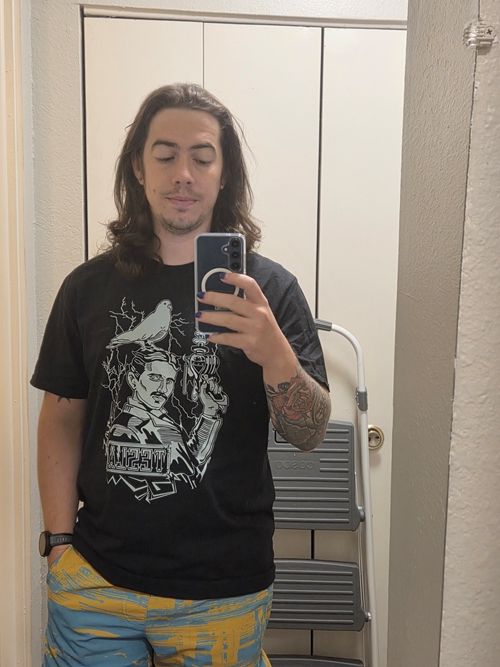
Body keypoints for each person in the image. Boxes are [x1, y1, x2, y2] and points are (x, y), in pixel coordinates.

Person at [32, 83, 331, 667]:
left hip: (224, 590)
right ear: (138, 169)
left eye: (202, 157)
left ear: (225, 173)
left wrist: (275, 354)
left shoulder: (271, 290)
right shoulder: (86, 288)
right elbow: (62, 418)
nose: (183, 175)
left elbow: (310, 433)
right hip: (94, 581)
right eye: (165, 155)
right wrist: (59, 543)